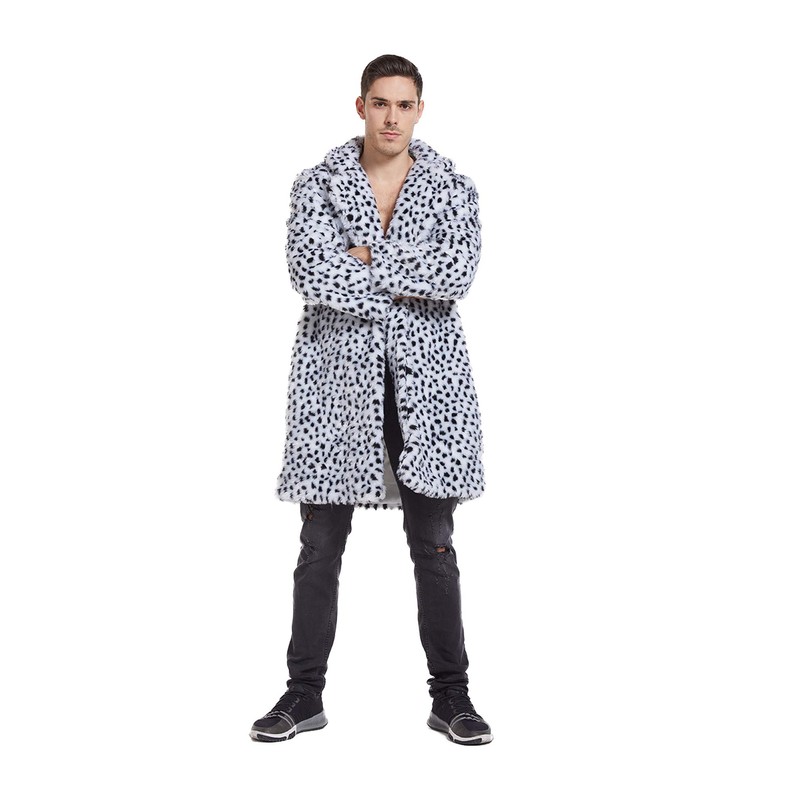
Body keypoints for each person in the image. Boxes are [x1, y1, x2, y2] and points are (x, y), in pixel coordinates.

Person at [250, 54, 492, 746]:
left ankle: (452, 697)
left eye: (403, 105)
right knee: (319, 544)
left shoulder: (452, 188)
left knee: (435, 545)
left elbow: (457, 272)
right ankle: (303, 694)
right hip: (335, 385)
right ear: (361, 106)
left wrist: (369, 259)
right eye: (380, 103)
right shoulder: (318, 185)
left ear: (420, 110)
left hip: (431, 387)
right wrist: (405, 270)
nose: (391, 117)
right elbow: (309, 270)